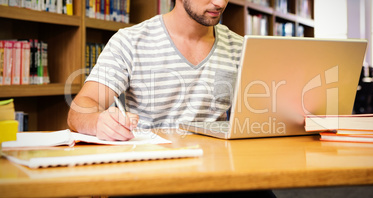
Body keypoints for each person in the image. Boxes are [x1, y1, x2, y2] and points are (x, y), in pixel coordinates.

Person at [67, 0, 244, 141]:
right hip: (153, 165)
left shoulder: (240, 47)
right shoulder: (129, 41)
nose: (220, 3)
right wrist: (99, 122)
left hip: (218, 167)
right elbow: (79, 109)